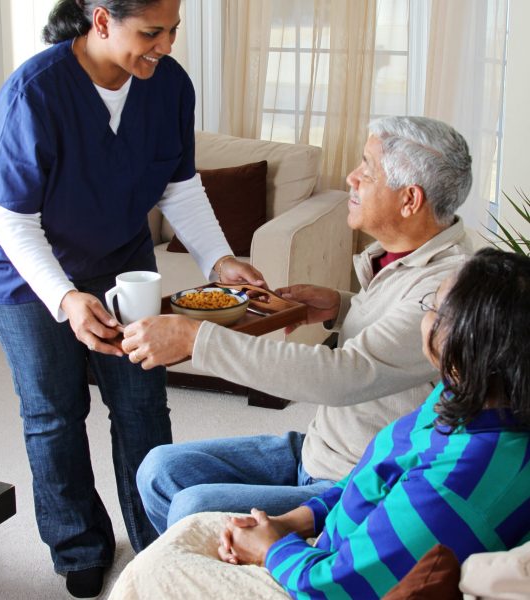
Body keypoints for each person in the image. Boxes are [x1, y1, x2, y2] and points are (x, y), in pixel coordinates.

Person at [0, 0, 263, 597]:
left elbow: (179, 187)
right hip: (23, 271)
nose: (167, 45)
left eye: (173, 30)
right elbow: (14, 224)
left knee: (141, 402)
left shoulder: (168, 85)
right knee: (53, 411)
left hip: (120, 261)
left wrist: (218, 258)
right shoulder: (35, 95)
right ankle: (78, 545)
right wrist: (67, 298)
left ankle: (158, 542)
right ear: (100, 21)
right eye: (151, 32)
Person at [108, 248, 530, 600]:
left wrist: (273, 547)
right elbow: (376, 476)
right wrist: (296, 520)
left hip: (318, 571)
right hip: (321, 476)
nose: (353, 178)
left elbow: (335, 584)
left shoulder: (457, 482)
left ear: (466, 342)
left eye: (434, 308)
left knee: (161, 557)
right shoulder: (462, 397)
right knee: (161, 470)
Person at [122, 115, 475, 534]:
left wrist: (198, 339)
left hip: (356, 483)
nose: (351, 177)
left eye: (367, 169)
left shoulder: (443, 290)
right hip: (319, 449)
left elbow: (343, 376)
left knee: (193, 509)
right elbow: (396, 343)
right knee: (159, 469)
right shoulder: (402, 255)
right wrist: (341, 306)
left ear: (410, 200)